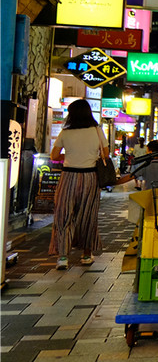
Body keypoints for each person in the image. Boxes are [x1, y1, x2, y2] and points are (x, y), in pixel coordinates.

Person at [48, 99, 109, 270]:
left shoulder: (65, 133)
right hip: (90, 177)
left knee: (64, 215)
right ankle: (86, 255)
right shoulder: (97, 131)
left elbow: (54, 155)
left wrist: (69, 157)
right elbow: (105, 154)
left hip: (69, 176)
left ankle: (63, 257)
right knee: (88, 216)